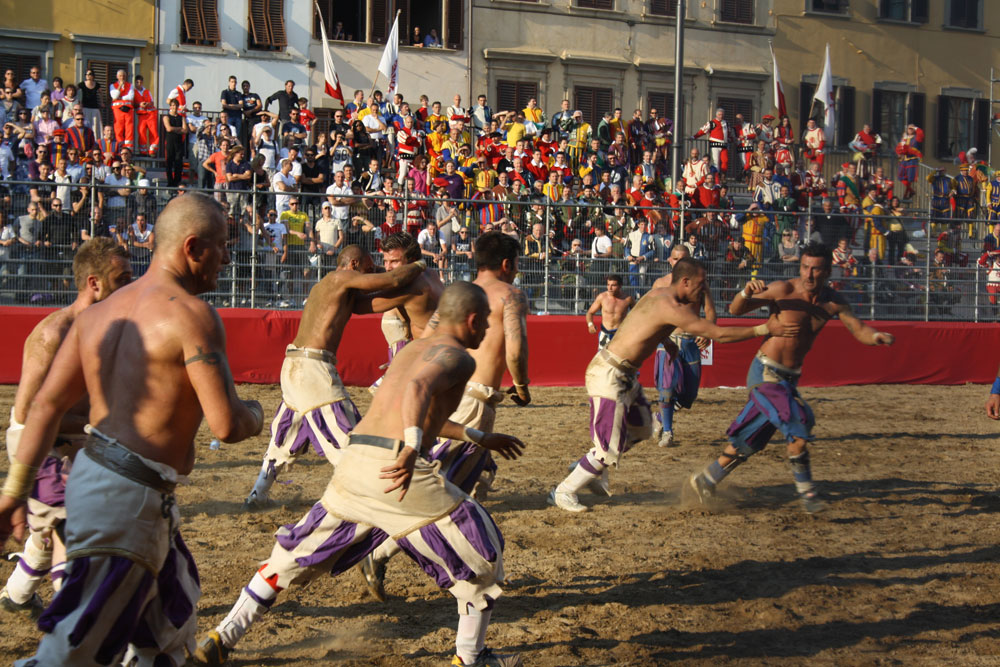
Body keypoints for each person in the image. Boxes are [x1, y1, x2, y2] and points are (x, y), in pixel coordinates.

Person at [196, 282, 525, 667]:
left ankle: (224, 634)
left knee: (290, 558)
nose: (487, 331)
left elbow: (413, 404)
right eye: (484, 323)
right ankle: (472, 657)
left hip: (355, 464)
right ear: (470, 320)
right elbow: (420, 393)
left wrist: (479, 436)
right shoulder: (460, 358)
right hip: (396, 471)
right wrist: (411, 445)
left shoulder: (410, 352)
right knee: (482, 556)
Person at [0, 194, 265, 665]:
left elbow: (43, 405)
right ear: (192, 247)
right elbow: (225, 424)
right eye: (222, 245)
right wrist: (256, 412)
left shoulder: (102, 312)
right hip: (129, 501)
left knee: (170, 626)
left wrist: (13, 491)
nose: (228, 257)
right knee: (70, 652)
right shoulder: (191, 315)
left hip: (102, 483)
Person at [358, 232, 531, 601]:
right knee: (441, 484)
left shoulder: (458, 292)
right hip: (474, 398)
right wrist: (522, 384)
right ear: (507, 265)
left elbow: (426, 339)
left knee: (462, 477)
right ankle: (379, 550)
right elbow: (515, 349)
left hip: (443, 385)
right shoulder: (510, 295)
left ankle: (379, 547)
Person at [548, 257, 796, 512]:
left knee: (642, 428)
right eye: (701, 284)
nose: (704, 289)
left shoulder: (659, 295)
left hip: (622, 374)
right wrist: (764, 328)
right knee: (606, 450)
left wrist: (665, 340)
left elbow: (643, 321)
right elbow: (718, 334)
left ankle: (586, 468)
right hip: (610, 374)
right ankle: (564, 490)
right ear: (685, 281)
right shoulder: (672, 306)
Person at [688, 243, 895, 514]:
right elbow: (736, 309)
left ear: (828, 271)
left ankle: (706, 479)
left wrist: (876, 337)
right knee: (800, 423)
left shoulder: (833, 302)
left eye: (816, 269)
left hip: (789, 379)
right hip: (765, 373)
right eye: (805, 268)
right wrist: (745, 291)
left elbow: (859, 329)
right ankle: (807, 494)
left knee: (751, 439)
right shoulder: (784, 290)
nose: (809, 275)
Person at [0, 239, 132, 617]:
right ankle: (75, 621)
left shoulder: (115, 332)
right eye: (122, 278)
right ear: (94, 283)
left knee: (49, 533)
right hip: (41, 444)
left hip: (82, 444)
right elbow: (28, 415)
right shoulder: (52, 335)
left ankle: (18, 595)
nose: (132, 284)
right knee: (72, 529)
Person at [243, 246, 428, 506]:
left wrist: (411, 295)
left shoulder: (336, 290)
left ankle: (258, 493)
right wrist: (421, 266)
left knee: (284, 436)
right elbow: (393, 280)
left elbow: (376, 302)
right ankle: (370, 500)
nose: (373, 270)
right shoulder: (339, 278)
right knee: (349, 437)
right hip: (312, 370)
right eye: (368, 265)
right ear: (353, 264)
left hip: (296, 365)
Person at [651, 245, 716, 448]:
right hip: (668, 341)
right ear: (670, 261)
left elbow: (710, 311)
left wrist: (708, 332)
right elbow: (651, 314)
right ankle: (668, 432)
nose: (679, 262)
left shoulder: (701, 286)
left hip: (690, 342)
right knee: (667, 390)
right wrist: (661, 338)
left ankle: (660, 418)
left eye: (684, 259)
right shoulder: (660, 284)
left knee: (689, 396)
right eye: (676, 259)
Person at [586, 274, 633, 349]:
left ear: (620, 286)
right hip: (605, 333)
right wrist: (590, 324)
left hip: (620, 334)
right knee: (602, 358)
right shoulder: (602, 297)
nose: (610, 288)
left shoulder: (628, 299)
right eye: (608, 285)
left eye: (613, 285)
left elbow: (637, 315)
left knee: (620, 359)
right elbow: (590, 313)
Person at [162, 98, 186, 188]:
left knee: (178, 163)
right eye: (172, 105)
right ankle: (170, 182)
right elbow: (168, 128)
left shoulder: (181, 117)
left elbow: (185, 130)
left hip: (179, 143)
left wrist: (175, 129)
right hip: (170, 142)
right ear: (170, 106)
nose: (174, 107)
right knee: (169, 162)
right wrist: (179, 129)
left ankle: (177, 182)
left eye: (175, 105)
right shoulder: (166, 117)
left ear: (178, 106)